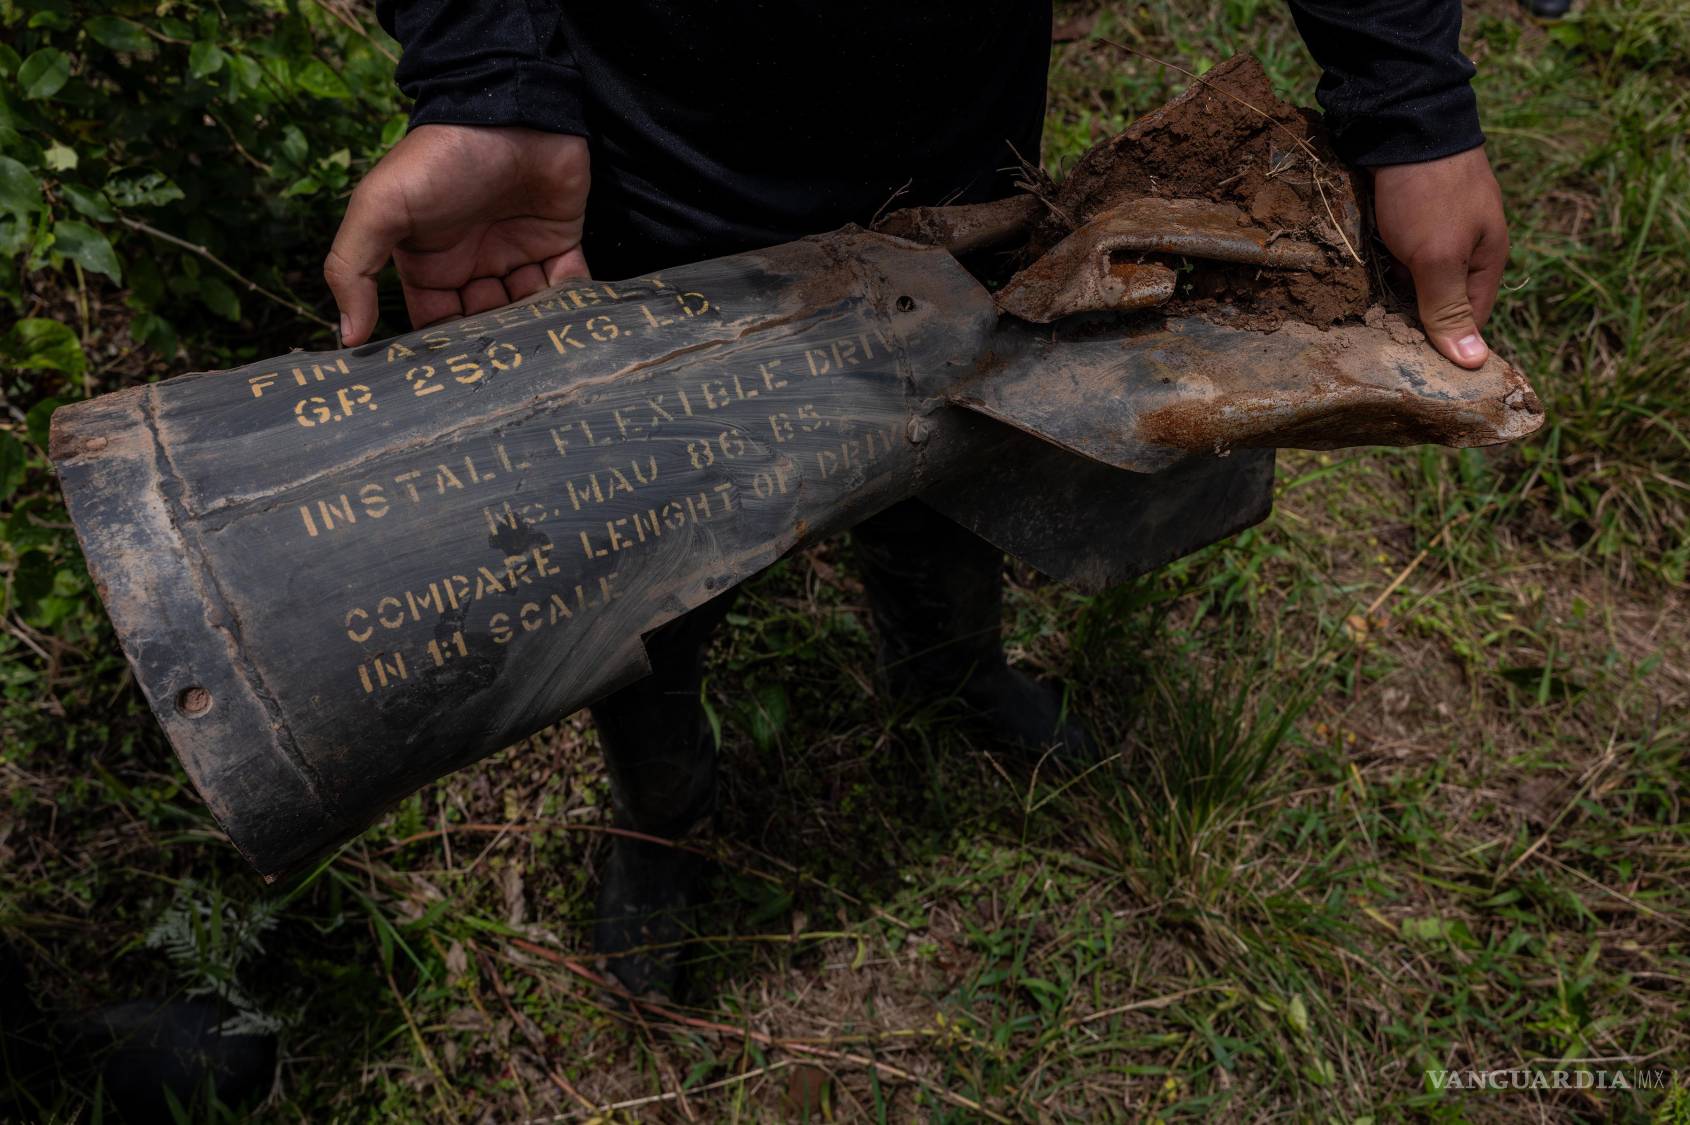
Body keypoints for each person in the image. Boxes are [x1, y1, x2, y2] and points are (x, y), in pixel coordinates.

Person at [325, 1, 1509, 997]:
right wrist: (487, 75)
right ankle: (661, 813)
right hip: (641, 157)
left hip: (954, 121)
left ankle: (946, 666)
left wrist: (1408, 102)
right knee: (655, 540)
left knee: (952, 433)